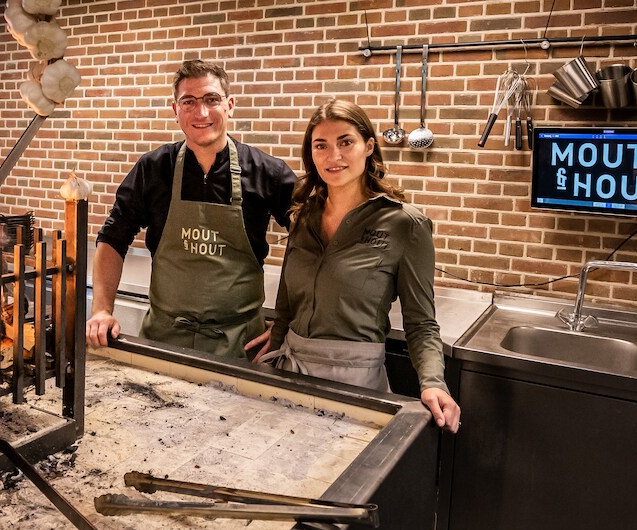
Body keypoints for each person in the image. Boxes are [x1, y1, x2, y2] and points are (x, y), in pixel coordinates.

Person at [255, 99, 461, 433]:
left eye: (345, 142)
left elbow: (421, 323)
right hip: (289, 374)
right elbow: (286, 306)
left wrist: (433, 382)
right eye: (321, 145)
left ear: (368, 146)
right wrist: (270, 356)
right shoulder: (304, 216)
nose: (333, 156)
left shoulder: (405, 224)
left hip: (354, 382)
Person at [86, 59, 295, 359]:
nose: (202, 112)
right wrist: (102, 310)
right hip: (163, 340)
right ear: (175, 111)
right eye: (189, 102)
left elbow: (310, 243)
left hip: (240, 347)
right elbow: (112, 238)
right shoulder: (154, 168)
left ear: (229, 105)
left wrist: (289, 322)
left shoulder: (267, 172)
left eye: (212, 99)